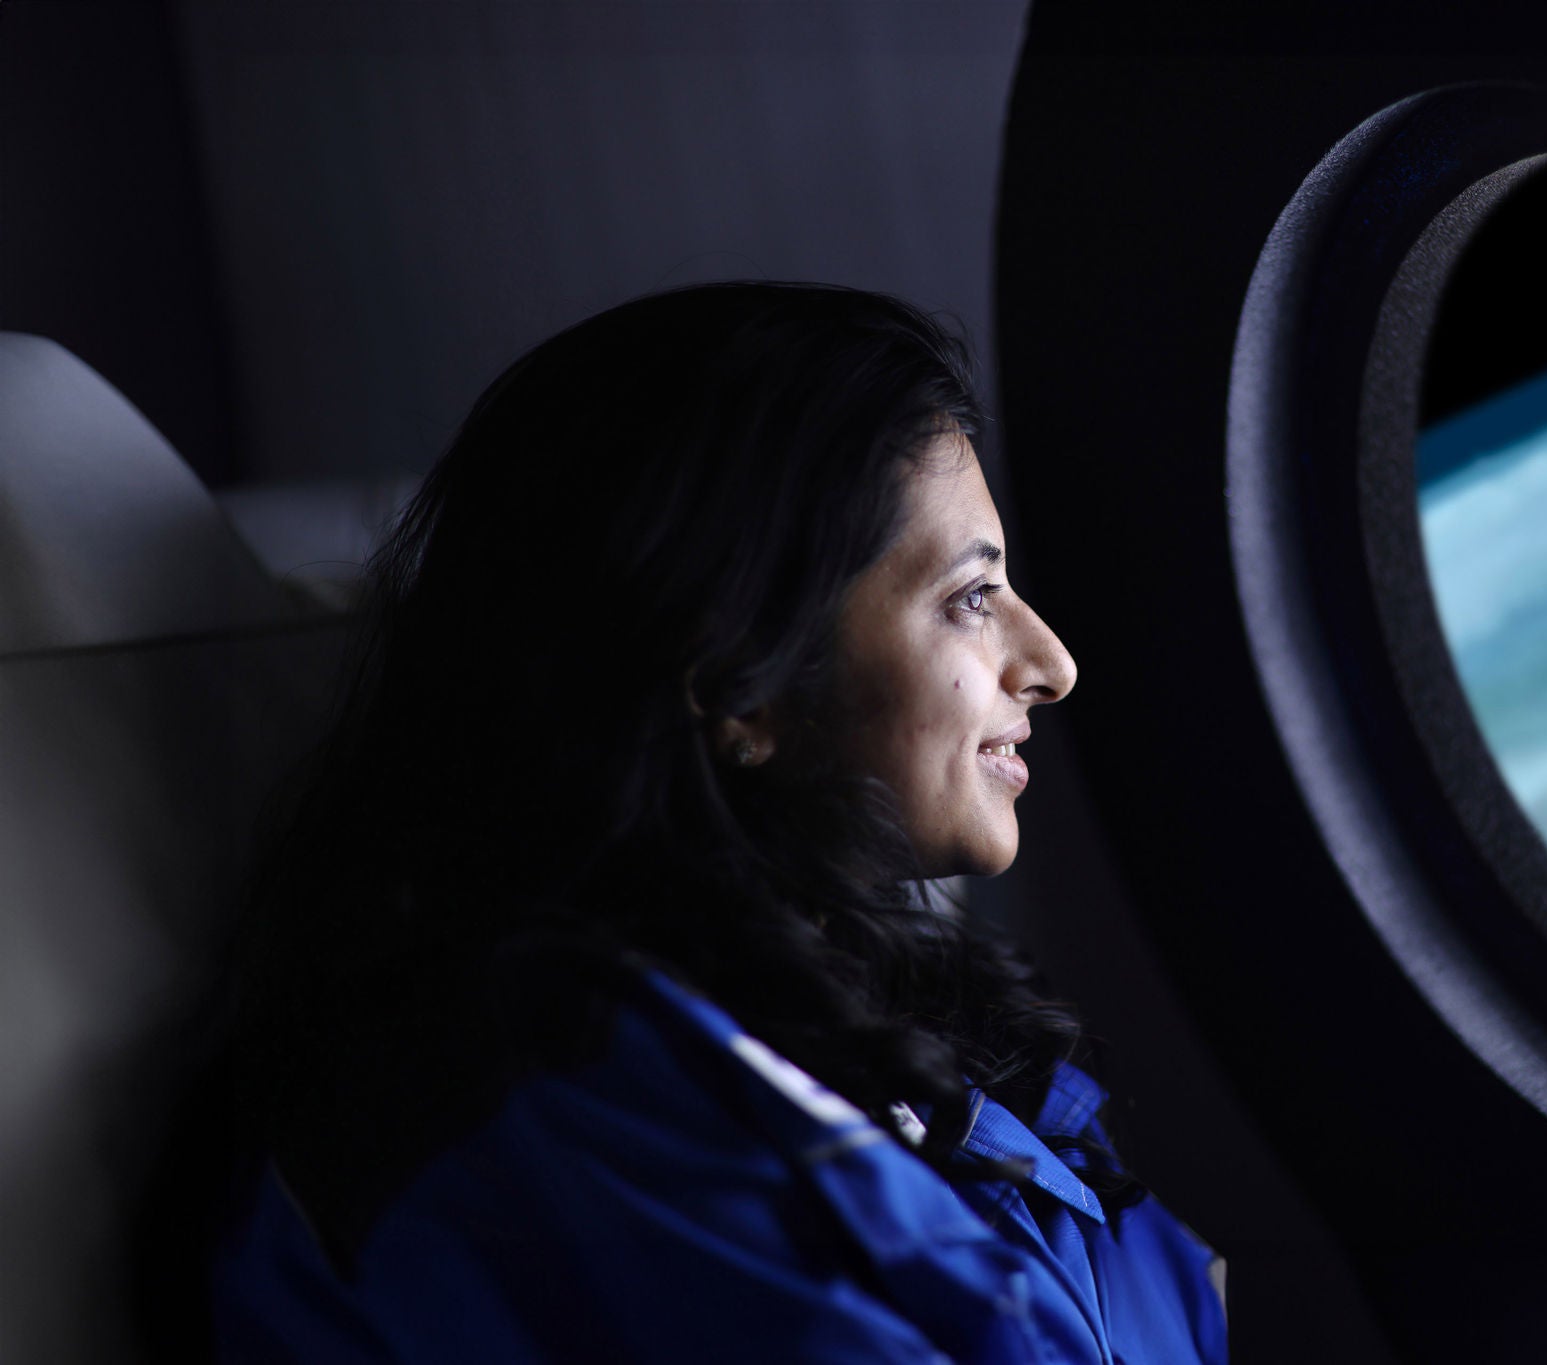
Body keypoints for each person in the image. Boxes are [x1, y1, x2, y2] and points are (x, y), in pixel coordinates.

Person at [206, 282, 1230, 1362]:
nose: (1051, 665)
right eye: (970, 599)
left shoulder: (910, 1035)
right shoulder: (550, 1097)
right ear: (738, 680)